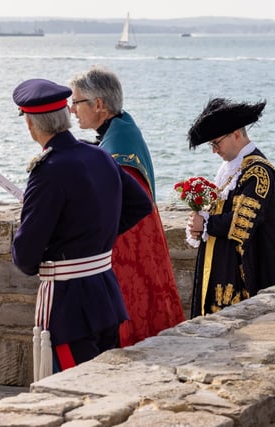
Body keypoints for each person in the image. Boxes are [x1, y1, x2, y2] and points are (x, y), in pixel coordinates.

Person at [11, 78, 152, 380]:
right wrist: (95, 239)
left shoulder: (48, 170)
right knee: (104, 388)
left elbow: (25, 256)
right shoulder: (99, 154)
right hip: (106, 293)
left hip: (68, 305)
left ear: (31, 125)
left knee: (73, 390)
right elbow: (141, 203)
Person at [68, 65, 185, 347]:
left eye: (76, 102)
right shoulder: (120, 130)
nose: (72, 110)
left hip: (127, 253)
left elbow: (115, 208)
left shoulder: (120, 147)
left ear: (99, 104)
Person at [185, 97, 275, 318]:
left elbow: (242, 223)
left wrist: (205, 223)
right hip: (223, 267)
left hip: (249, 275)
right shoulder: (231, 169)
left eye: (216, 143)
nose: (214, 150)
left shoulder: (258, 172)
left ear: (237, 134)